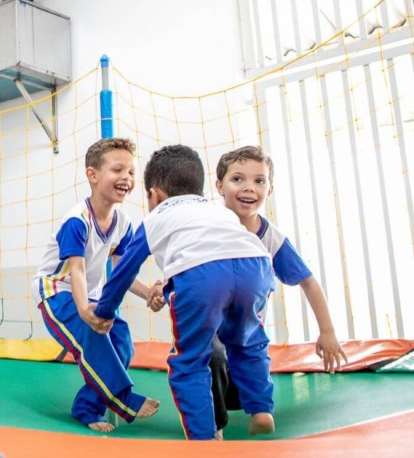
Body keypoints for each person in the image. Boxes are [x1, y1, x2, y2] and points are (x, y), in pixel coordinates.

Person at [92, 144, 276, 441]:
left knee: (190, 359)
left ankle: (205, 438)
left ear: (155, 195)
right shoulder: (216, 210)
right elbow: (214, 252)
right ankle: (261, 410)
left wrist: (103, 311)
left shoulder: (155, 219)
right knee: (250, 341)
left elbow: (123, 271)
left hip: (203, 276)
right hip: (255, 265)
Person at [207, 145, 348, 437]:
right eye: (238, 179)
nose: (249, 188)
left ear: (269, 190)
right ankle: (214, 425)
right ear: (219, 186)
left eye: (259, 180)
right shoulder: (209, 226)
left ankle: (261, 412)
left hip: (248, 322)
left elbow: (308, 281)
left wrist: (328, 331)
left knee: (255, 358)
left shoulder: (271, 238)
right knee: (210, 360)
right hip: (210, 324)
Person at [31, 138, 162, 433]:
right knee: (93, 339)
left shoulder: (123, 223)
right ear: (93, 175)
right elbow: (75, 270)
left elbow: (122, 273)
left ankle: (86, 407)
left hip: (89, 295)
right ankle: (125, 399)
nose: (126, 179)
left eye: (130, 172)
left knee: (122, 341)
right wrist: (85, 311)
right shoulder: (77, 221)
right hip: (57, 293)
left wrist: (148, 294)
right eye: (118, 170)